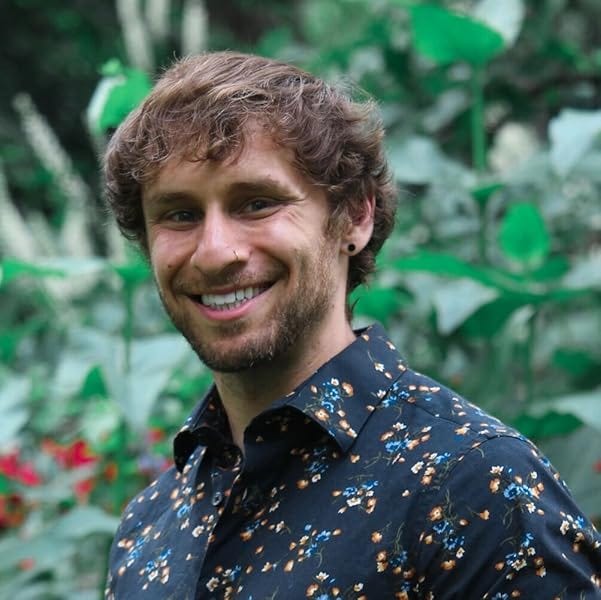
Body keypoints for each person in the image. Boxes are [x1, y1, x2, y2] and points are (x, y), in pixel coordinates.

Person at [103, 51, 601, 599]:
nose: (216, 251)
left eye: (257, 203)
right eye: (179, 214)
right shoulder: (147, 527)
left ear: (355, 217)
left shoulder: (474, 484)